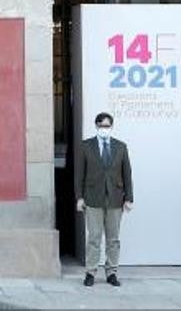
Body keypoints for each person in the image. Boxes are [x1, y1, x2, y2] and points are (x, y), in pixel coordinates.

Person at [73, 112, 133, 287]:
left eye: (107, 126)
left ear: (111, 127)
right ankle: (90, 272)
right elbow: (79, 175)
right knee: (94, 237)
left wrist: (129, 197)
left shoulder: (121, 147)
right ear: (96, 126)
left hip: (115, 199)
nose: (104, 129)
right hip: (93, 199)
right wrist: (79, 197)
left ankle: (111, 272)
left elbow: (127, 174)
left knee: (113, 238)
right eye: (101, 126)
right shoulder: (86, 146)